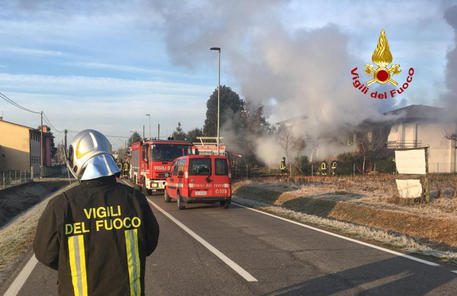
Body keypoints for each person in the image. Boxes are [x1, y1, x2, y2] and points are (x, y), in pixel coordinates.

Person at [34, 129, 159, 296]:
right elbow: (149, 243)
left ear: (76, 160)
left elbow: (45, 253)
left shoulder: (62, 206)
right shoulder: (135, 199)